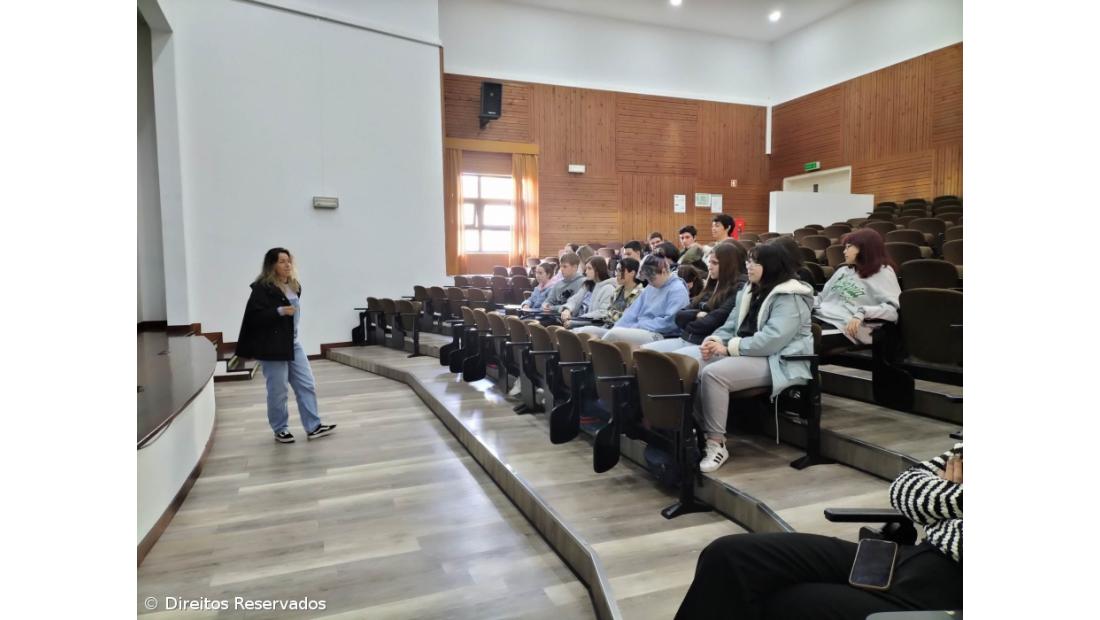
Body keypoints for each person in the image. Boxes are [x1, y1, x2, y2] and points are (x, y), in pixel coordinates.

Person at [675, 443, 963, 619]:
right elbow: (904, 487)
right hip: (912, 557)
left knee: (785, 604)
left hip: (951, 591)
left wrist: (945, 496)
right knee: (729, 556)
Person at [693, 244, 813, 472]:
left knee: (713, 374)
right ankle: (696, 429)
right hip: (749, 352)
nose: (748, 266)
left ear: (772, 266)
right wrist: (713, 340)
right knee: (692, 364)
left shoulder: (792, 295)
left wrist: (728, 348)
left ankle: (716, 444)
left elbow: (772, 340)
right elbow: (730, 326)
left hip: (781, 359)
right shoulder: (749, 290)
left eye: (754, 262)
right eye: (748, 260)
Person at [235, 247, 336, 443]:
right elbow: (254, 317)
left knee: (306, 383)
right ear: (271, 265)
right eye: (282, 261)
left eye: (289, 260)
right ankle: (280, 428)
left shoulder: (294, 286)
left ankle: (313, 426)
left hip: (293, 344)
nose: (287, 264)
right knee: (278, 390)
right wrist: (279, 311)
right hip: (272, 347)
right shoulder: (262, 288)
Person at [641, 242, 747, 357]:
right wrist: (697, 315)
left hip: (704, 344)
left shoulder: (738, 288)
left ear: (728, 265)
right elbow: (679, 316)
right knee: (643, 353)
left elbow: (714, 321)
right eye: (709, 262)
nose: (709, 266)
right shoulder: (711, 287)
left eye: (715, 263)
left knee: (670, 361)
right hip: (685, 339)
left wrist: (691, 321)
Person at [814, 228, 901, 347]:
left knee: (804, 341)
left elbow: (892, 310)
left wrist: (863, 312)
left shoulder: (883, 272)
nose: (844, 252)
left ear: (865, 249)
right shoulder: (842, 271)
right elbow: (821, 298)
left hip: (846, 327)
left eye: (848, 247)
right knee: (788, 333)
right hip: (822, 317)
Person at [600, 249, 690, 346]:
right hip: (642, 327)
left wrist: (637, 326)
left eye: (652, 279)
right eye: (648, 279)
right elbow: (632, 312)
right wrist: (618, 327)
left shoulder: (678, 289)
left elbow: (670, 323)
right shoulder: (651, 287)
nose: (650, 282)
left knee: (614, 335)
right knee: (591, 331)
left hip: (662, 334)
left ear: (664, 271)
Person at [574, 258, 644, 339]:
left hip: (622, 331)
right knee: (575, 331)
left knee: (583, 332)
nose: (616, 274)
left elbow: (627, 317)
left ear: (632, 273)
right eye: (616, 270)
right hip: (607, 326)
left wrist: (612, 314)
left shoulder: (640, 293)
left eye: (620, 270)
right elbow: (608, 313)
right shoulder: (618, 290)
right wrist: (612, 314)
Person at [560, 257, 616, 327]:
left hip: (590, 325)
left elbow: (602, 313)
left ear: (598, 270)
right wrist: (567, 309)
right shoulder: (587, 285)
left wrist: (575, 321)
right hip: (575, 321)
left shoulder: (608, 288)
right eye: (586, 269)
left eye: (589, 268)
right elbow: (574, 300)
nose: (586, 272)